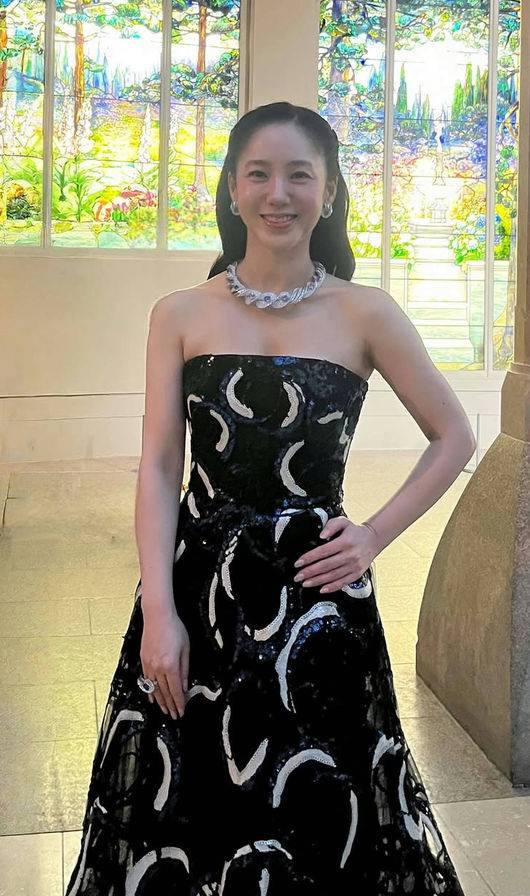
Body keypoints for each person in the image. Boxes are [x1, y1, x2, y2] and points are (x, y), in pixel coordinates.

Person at [65, 100, 475, 895]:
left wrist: (373, 535)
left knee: (317, 801)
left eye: (299, 175)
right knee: (191, 804)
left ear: (330, 192)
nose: (277, 194)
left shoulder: (365, 312)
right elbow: (160, 466)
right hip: (198, 596)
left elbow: (454, 435)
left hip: (317, 604)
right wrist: (159, 612)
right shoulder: (180, 314)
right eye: (258, 173)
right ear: (231, 187)